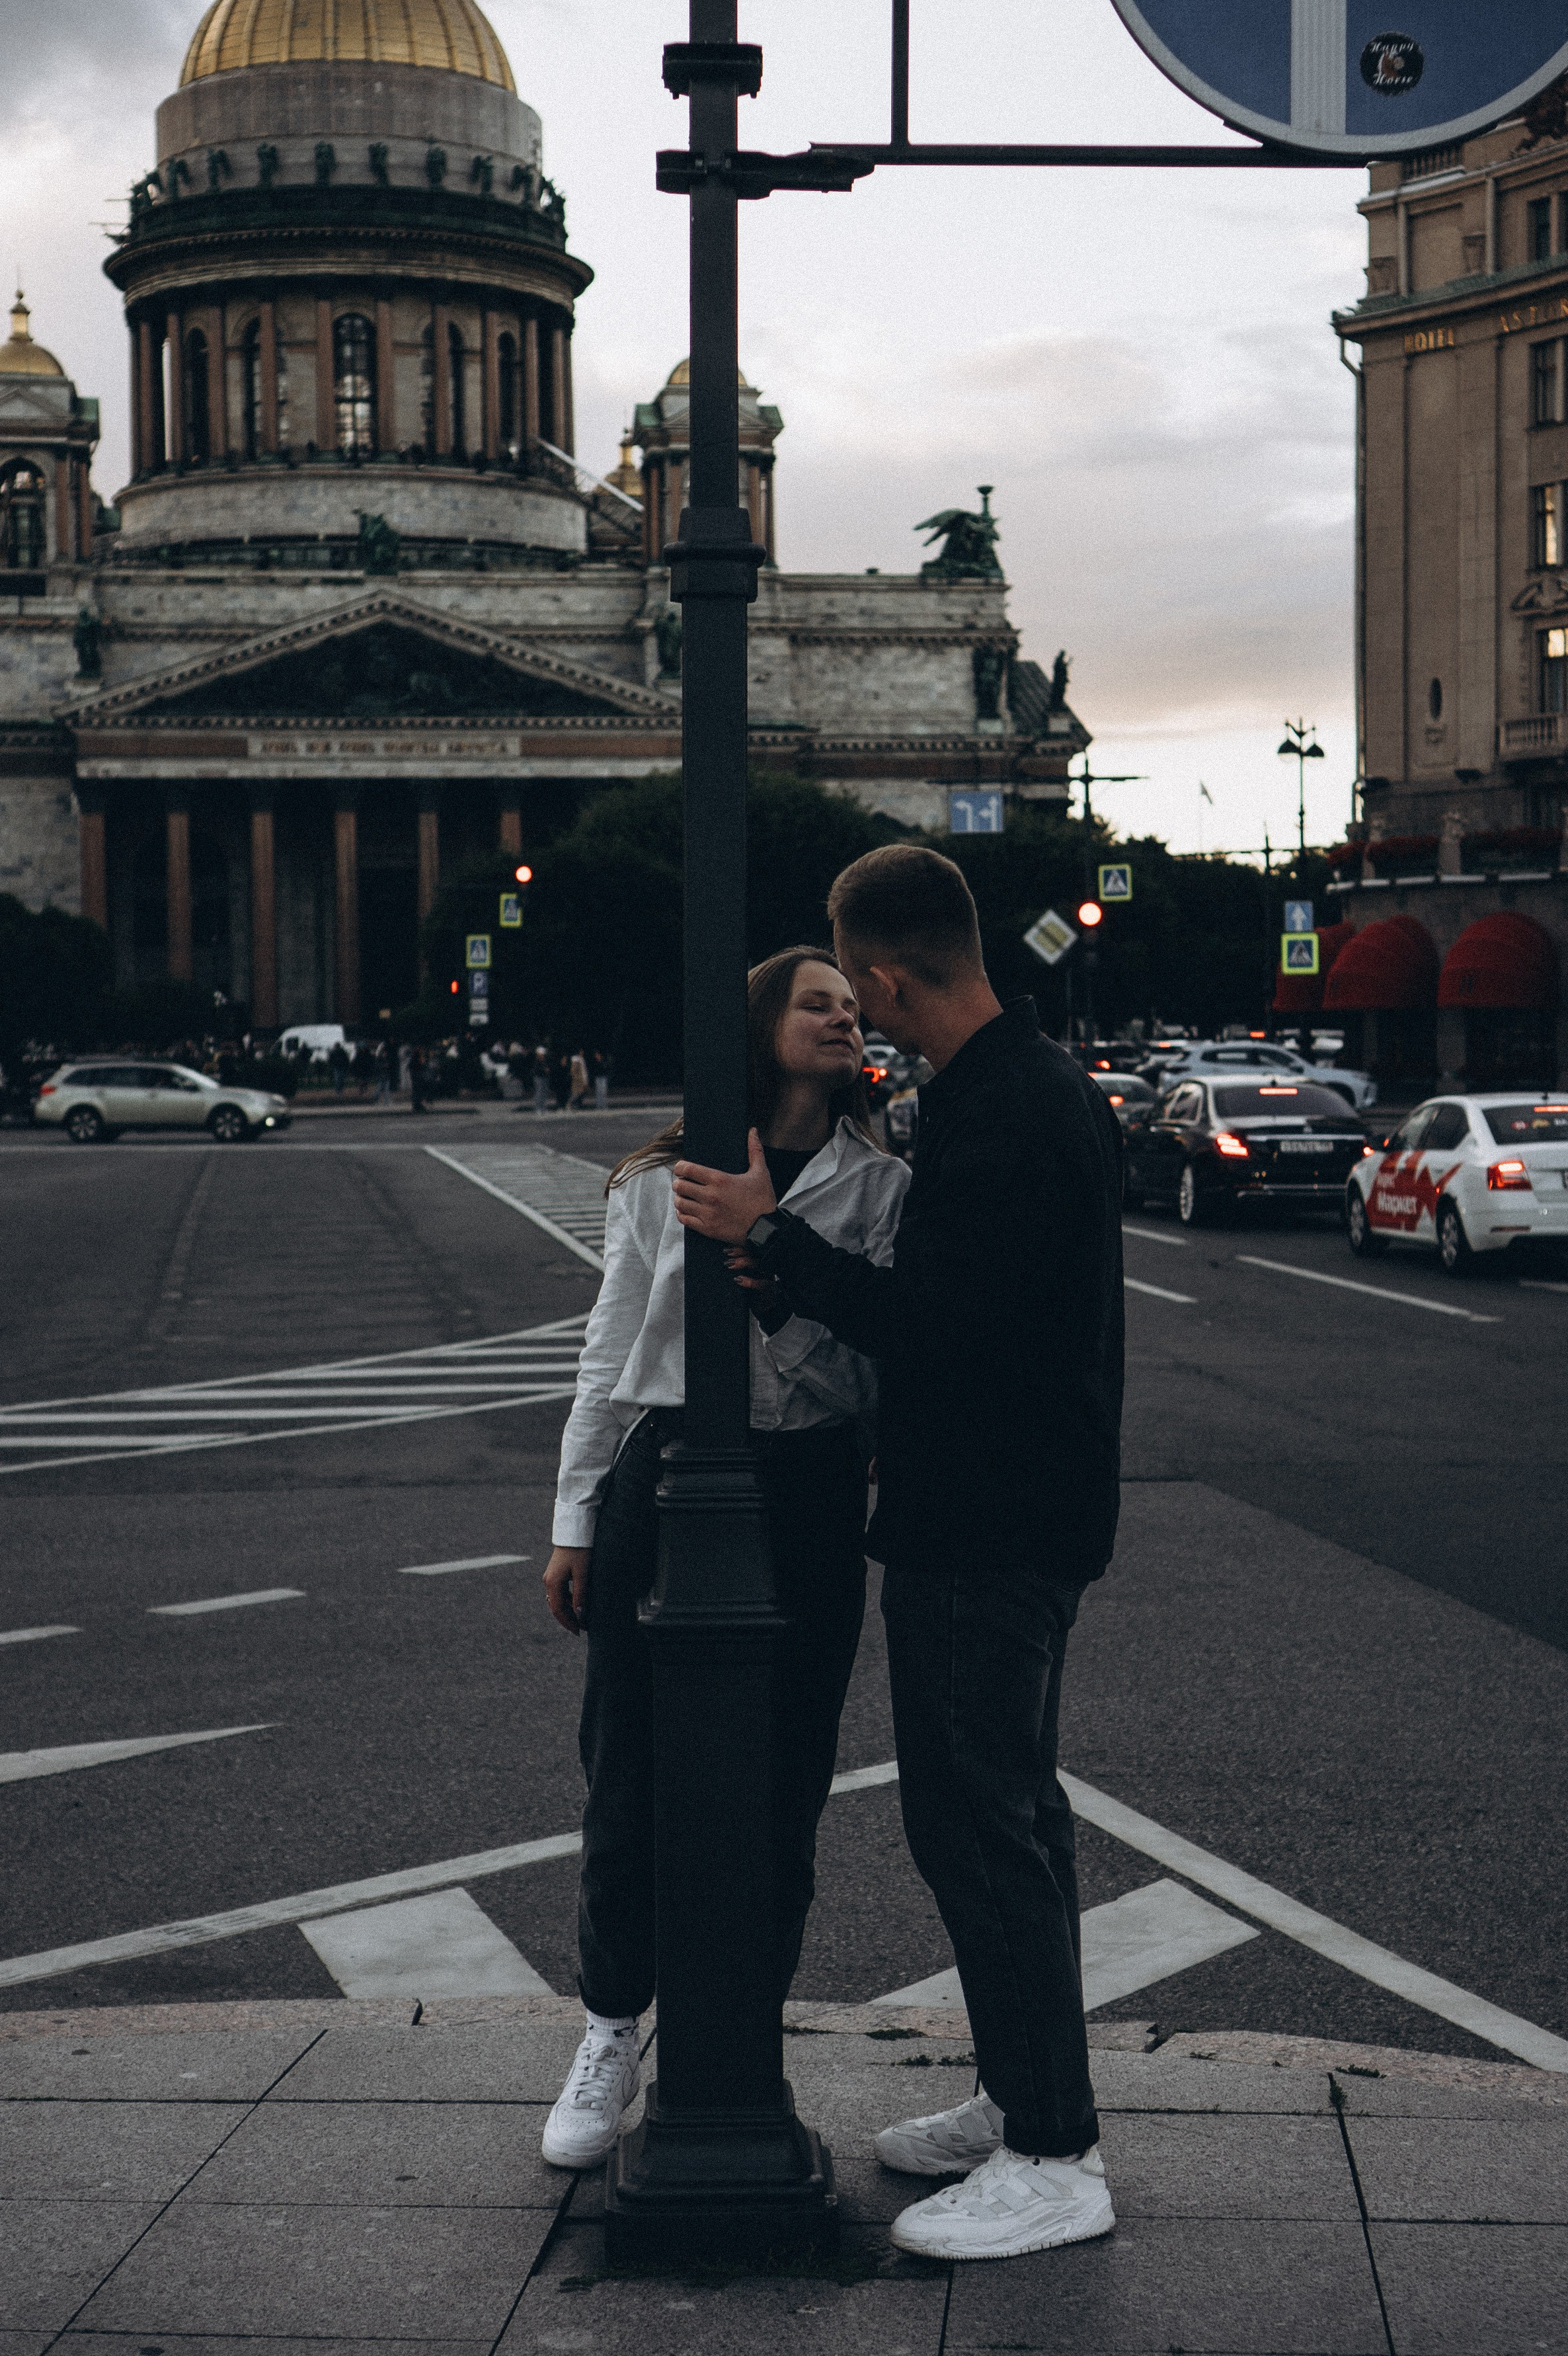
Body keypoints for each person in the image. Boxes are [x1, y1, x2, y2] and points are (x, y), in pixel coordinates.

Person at [674, 846, 1124, 2265]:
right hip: (1012, 1509)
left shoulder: (996, 1116)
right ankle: (1020, 2097)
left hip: (981, 1522)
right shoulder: (1018, 1085)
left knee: (977, 1825)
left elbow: (939, 1331)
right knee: (1004, 1819)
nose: (854, 1009)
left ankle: (1054, 2156)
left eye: (851, 982)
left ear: (878, 975)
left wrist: (773, 1241)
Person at [538, 947, 908, 2173]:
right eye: (820, 1003)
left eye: (855, 1008)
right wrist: (575, 1519)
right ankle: (607, 2028)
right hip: (662, 1473)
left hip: (802, 1489)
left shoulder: (880, 1187)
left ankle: (746, 2029)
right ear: (762, 1023)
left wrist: (768, 1267)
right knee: (627, 1766)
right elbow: (608, 1354)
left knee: (785, 1777)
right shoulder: (660, 1177)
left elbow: (860, 1381)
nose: (846, 1019)